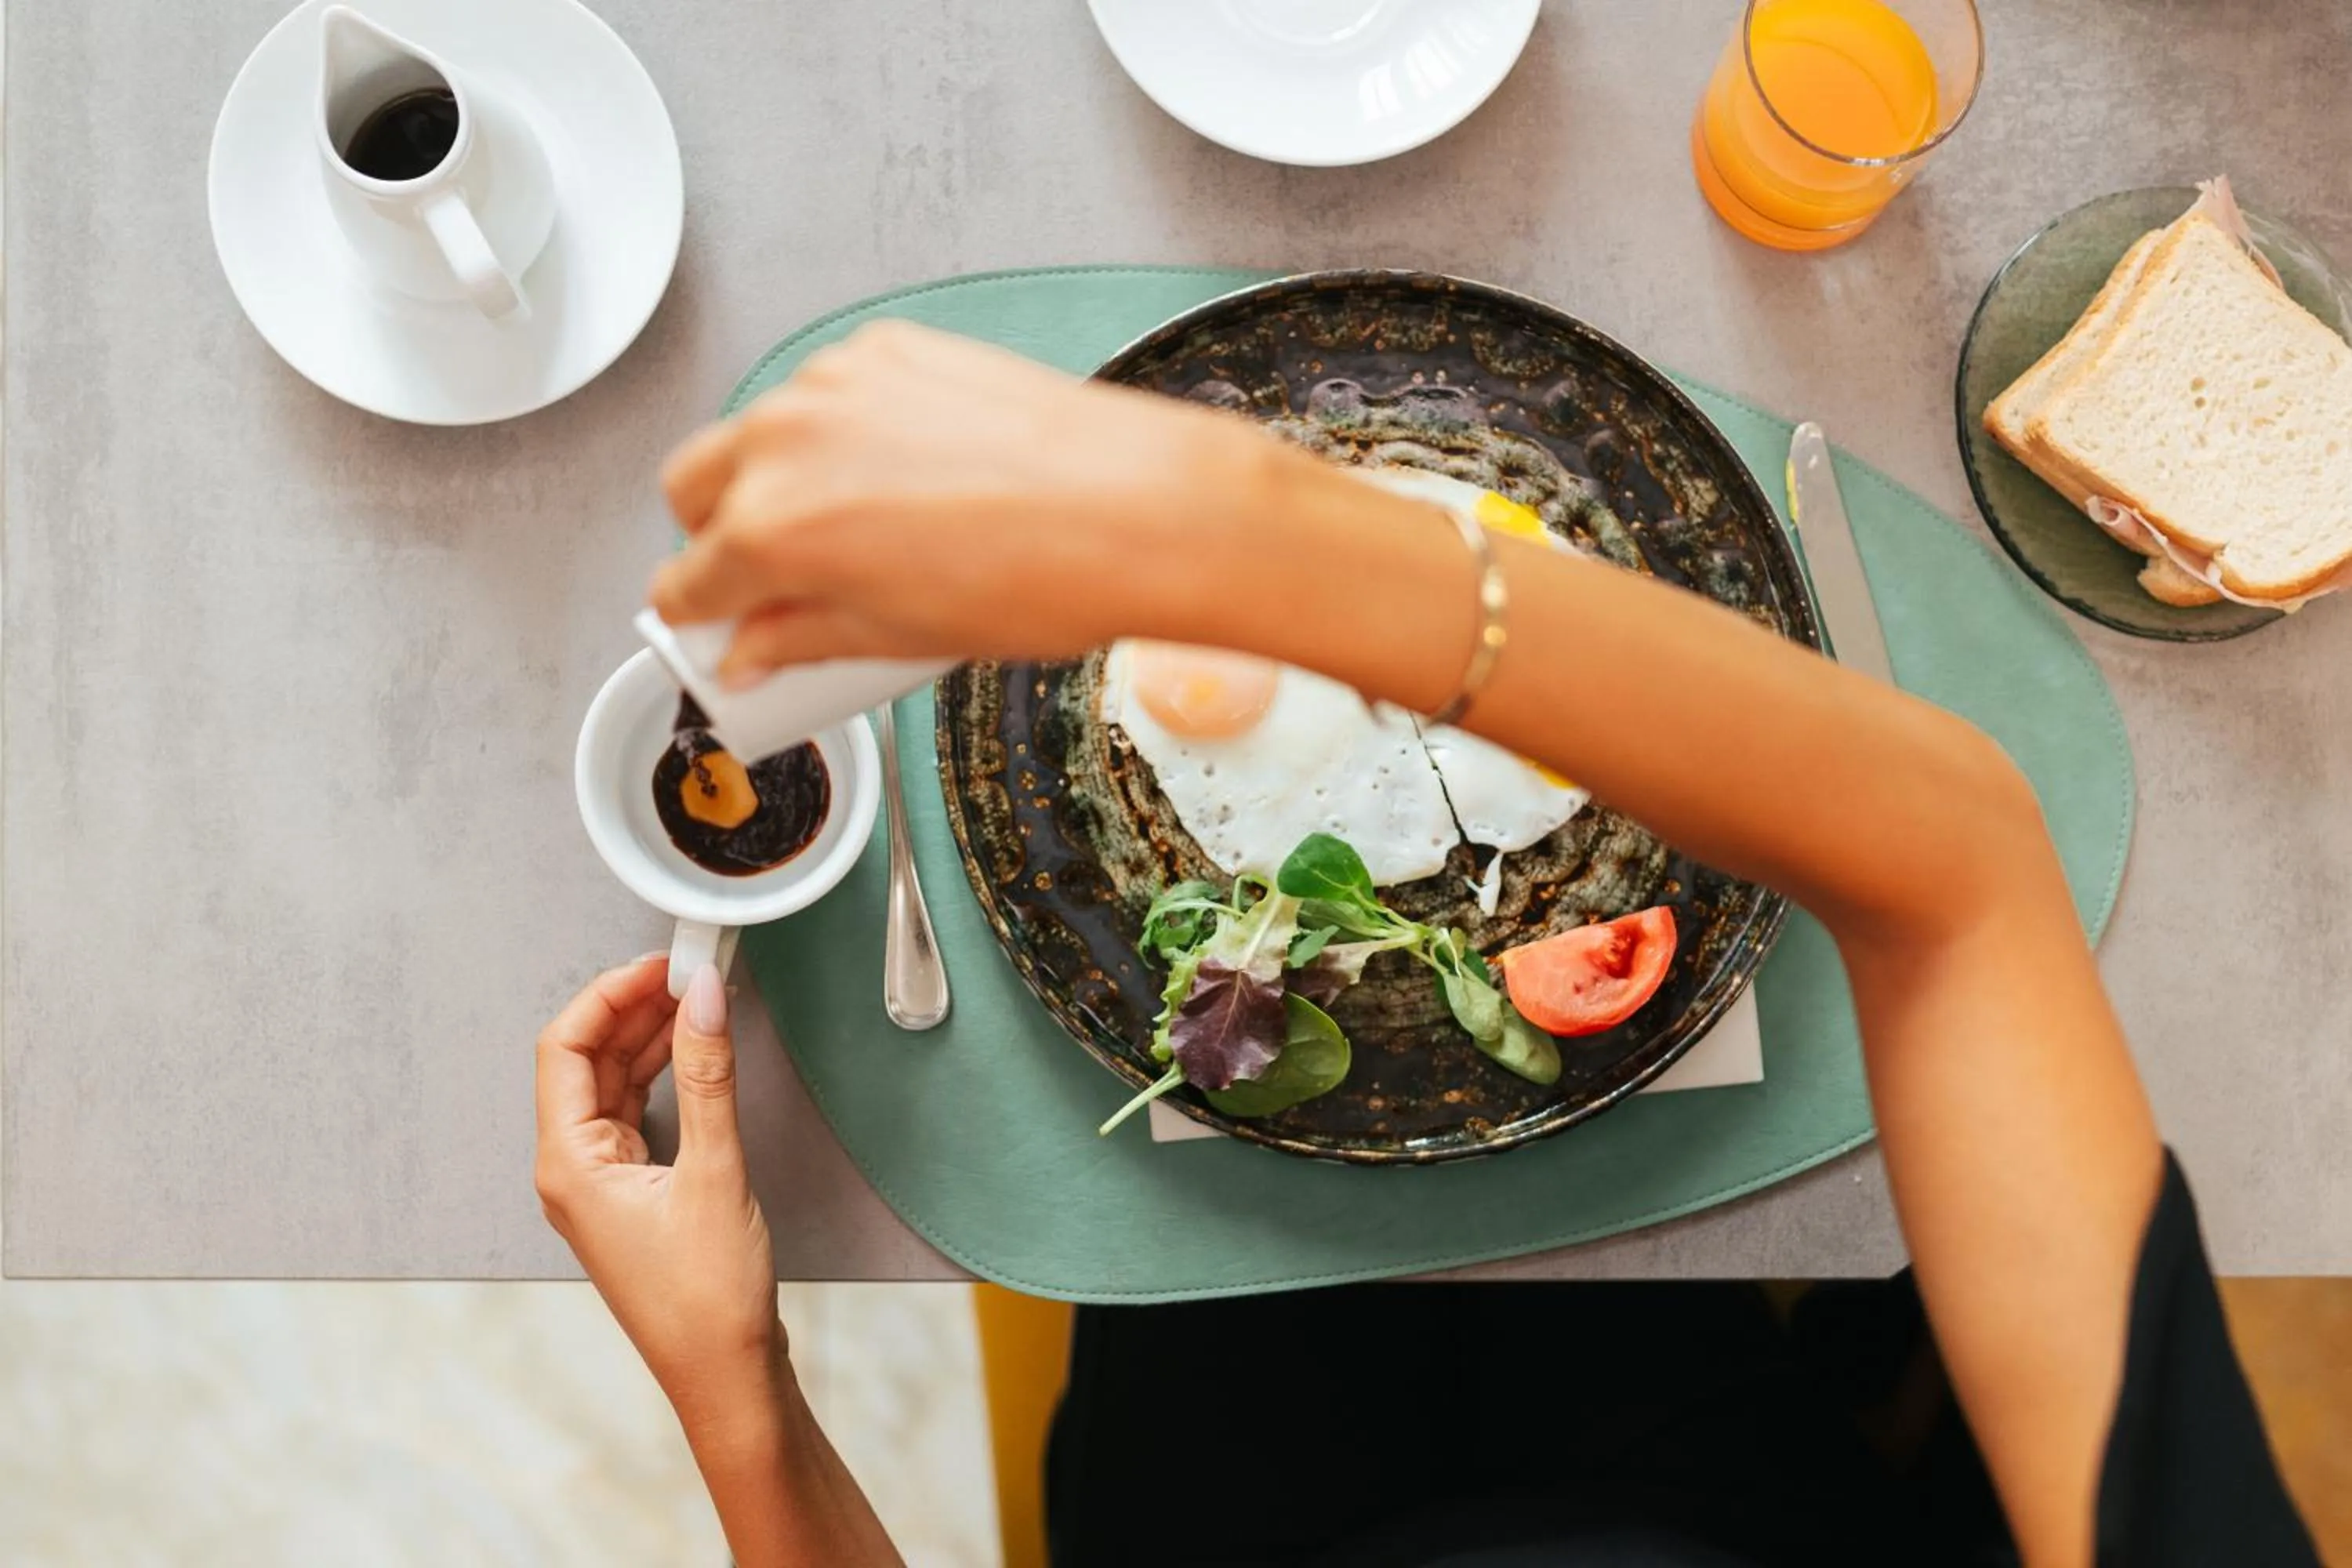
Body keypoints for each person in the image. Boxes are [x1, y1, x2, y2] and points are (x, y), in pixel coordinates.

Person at [532, 322, 2320, 1567]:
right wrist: (1269, 542)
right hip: (1742, 1496)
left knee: (1225, 1267)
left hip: (1225, 1521)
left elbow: (1960, 872)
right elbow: (1969, 876)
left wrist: (739, 1388)